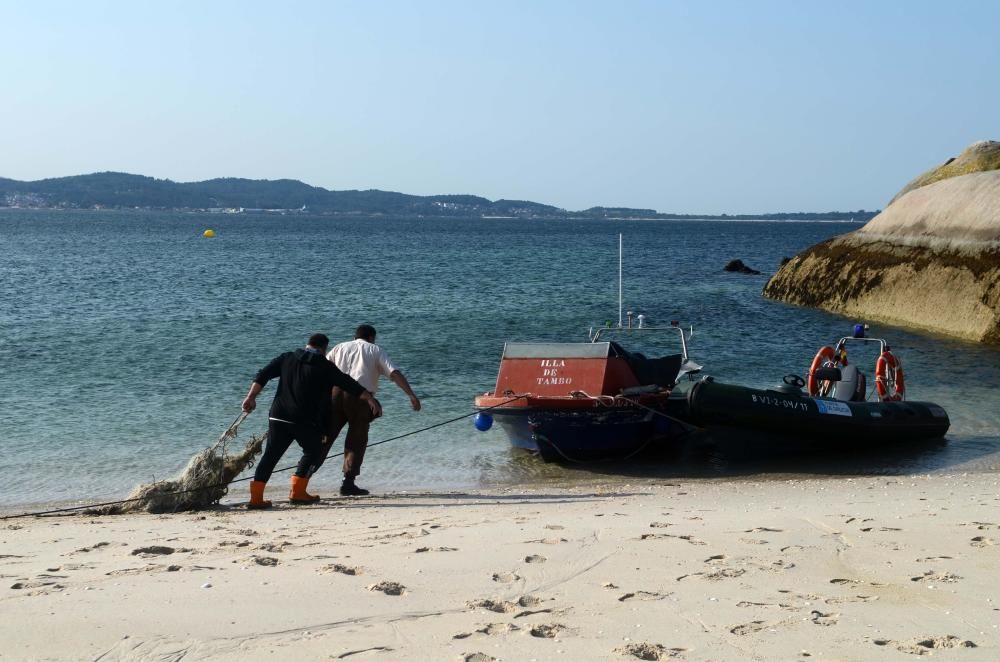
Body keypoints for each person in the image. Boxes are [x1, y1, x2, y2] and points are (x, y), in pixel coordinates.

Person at [241, 333, 381, 508]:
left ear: (307, 344)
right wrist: (369, 398)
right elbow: (348, 383)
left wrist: (251, 397)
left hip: (278, 415)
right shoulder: (325, 366)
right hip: (304, 420)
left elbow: (263, 375)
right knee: (314, 451)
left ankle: (256, 499)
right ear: (324, 349)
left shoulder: (287, 358)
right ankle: (297, 492)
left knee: (270, 455)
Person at [325, 324, 421, 496]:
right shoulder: (375, 350)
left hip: (336, 394)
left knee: (326, 436)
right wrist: (411, 395)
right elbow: (394, 373)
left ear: (355, 337)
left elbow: (322, 370)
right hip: (360, 397)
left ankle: (303, 476)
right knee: (357, 439)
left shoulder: (339, 347)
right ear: (371, 337)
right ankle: (348, 482)